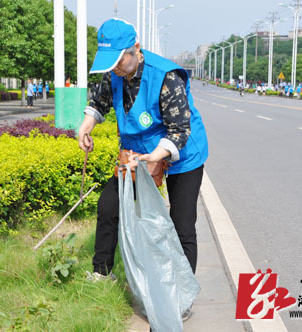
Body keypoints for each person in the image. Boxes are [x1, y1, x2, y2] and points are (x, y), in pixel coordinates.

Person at [78, 19, 208, 319]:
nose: (115, 68)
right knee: (109, 206)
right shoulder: (114, 73)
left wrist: (157, 157)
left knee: (181, 223)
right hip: (136, 155)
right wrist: (86, 127)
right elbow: (98, 103)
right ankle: (102, 273)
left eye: (120, 60)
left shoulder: (166, 77)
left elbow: (178, 131)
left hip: (181, 157)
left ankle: (181, 297)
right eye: (110, 63)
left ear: (136, 48)